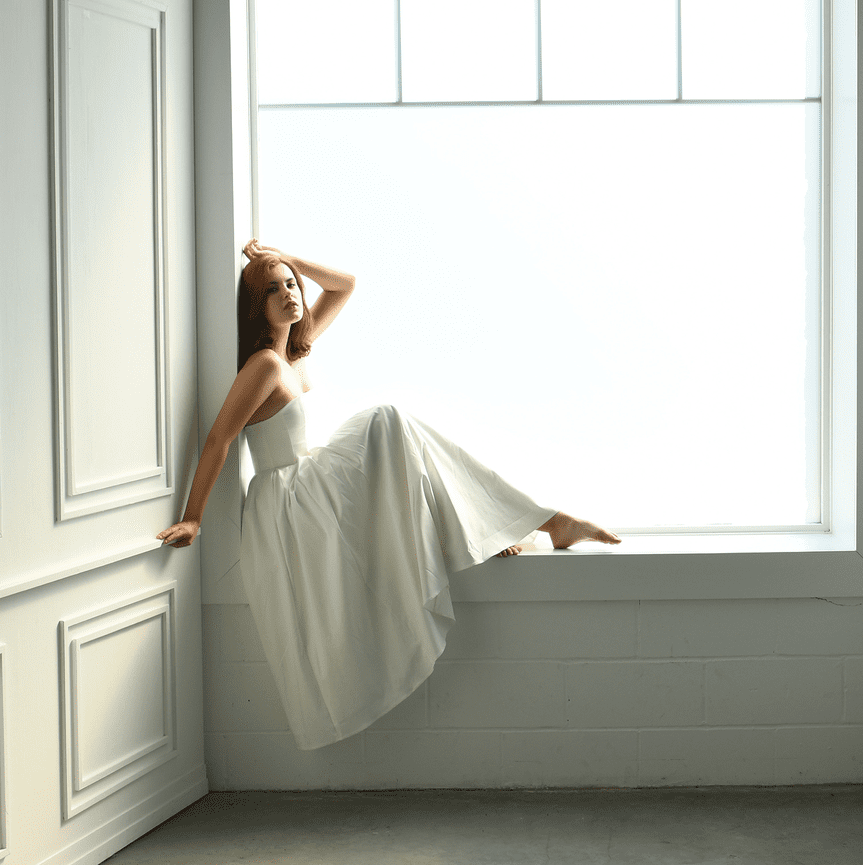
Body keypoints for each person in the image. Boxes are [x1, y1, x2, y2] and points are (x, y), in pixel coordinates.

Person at [157, 240, 619, 749]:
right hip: (288, 499)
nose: (289, 294)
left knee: (401, 435)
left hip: (309, 483)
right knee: (389, 421)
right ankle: (523, 525)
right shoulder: (265, 364)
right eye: (273, 290)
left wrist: (288, 258)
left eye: (291, 285)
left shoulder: (296, 349)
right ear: (255, 307)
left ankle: (502, 526)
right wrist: (194, 517)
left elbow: (344, 285)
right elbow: (220, 437)